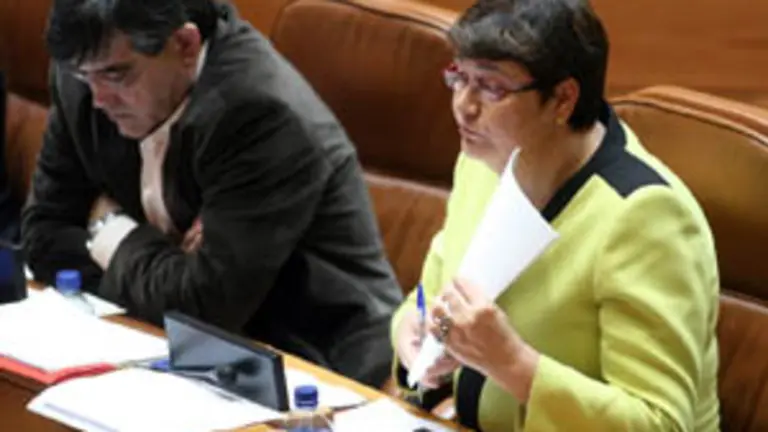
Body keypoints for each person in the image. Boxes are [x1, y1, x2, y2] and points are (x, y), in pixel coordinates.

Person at [22, 0, 402, 387]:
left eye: (117, 75)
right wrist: (169, 277)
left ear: (185, 45)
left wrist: (109, 229)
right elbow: (42, 238)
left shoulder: (260, 113)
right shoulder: (83, 78)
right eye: (86, 76)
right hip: (166, 351)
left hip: (311, 371)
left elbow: (202, 310)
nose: (99, 99)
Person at [391, 0, 720, 430]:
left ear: (563, 98)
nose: (464, 107)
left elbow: (660, 422)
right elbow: (430, 291)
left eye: (491, 88)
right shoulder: (483, 159)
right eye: (459, 78)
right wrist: (411, 334)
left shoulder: (646, 215)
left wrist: (513, 363)